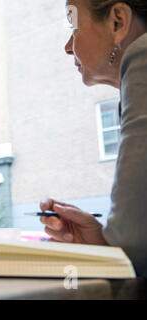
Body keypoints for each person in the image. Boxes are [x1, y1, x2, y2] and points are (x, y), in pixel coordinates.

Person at [40, 0, 147, 277]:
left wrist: (116, 244)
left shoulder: (143, 58)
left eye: (74, 28)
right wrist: (100, 241)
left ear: (118, 22)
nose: (67, 47)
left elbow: (136, 246)